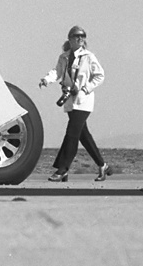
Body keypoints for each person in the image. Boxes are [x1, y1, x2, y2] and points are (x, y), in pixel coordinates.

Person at [39, 25, 108, 182]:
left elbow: (100, 75)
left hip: (83, 101)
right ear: (70, 40)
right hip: (70, 101)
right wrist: (46, 79)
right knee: (83, 136)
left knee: (71, 133)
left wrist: (85, 89)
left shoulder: (89, 57)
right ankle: (102, 166)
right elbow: (57, 72)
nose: (80, 39)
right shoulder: (64, 57)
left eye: (82, 37)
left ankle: (62, 168)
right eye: (77, 37)